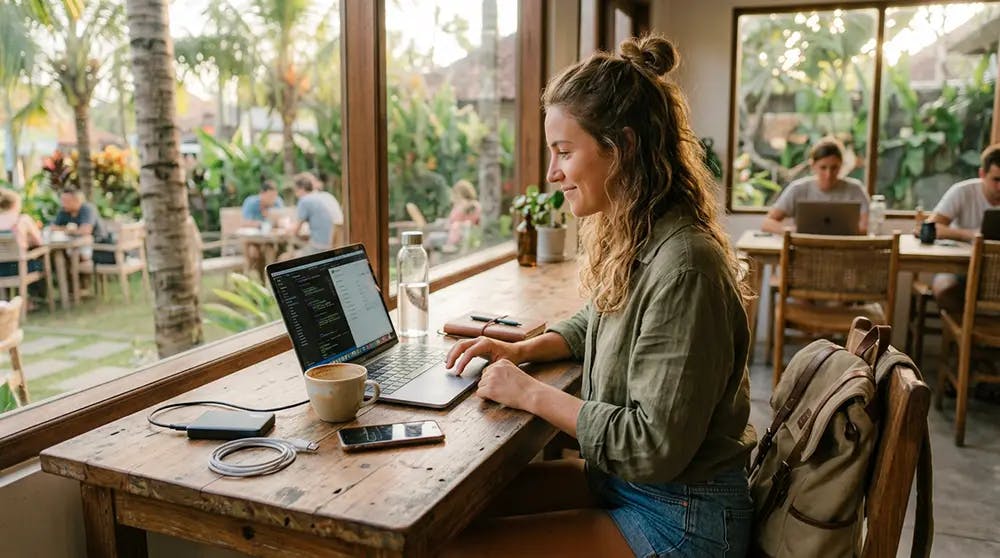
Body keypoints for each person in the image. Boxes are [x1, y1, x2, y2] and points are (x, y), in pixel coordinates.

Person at [443, 35, 756, 557]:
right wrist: (521, 349)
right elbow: (602, 317)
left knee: (457, 550)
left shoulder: (685, 267)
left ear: (622, 147)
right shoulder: (646, 233)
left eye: (565, 151)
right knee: (458, 517)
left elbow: (652, 445)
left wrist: (530, 393)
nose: (552, 173)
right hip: (634, 488)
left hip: (683, 519)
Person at [924, 143, 1000, 312]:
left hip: (996, 273)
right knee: (945, 290)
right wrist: (970, 235)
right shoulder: (962, 192)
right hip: (960, 269)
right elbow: (932, 227)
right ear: (982, 174)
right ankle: (966, 335)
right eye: (996, 180)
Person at [761, 139, 870, 234]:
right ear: (813, 166)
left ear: (841, 165)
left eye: (834, 168)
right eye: (823, 168)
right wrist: (793, 231)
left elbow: (866, 227)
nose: (828, 174)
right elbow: (767, 223)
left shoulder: (855, 189)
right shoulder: (798, 189)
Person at [292, 172, 344, 255]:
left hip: (320, 249)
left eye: (295, 191)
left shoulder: (304, 200)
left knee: (284, 258)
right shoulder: (327, 195)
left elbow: (294, 231)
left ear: (300, 189)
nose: (296, 194)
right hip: (337, 247)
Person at [0, 188, 44, 277]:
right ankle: (41, 290)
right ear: (15, 204)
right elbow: (39, 242)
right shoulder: (23, 220)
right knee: (42, 260)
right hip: (20, 268)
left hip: (1, 270)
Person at [441, 179, 482, 252]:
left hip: (461, 235)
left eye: (456, 193)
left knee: (431, 239)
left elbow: (454, 220)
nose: (454, 196)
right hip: (456, 233)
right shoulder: (468, 205)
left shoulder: (469, 205)